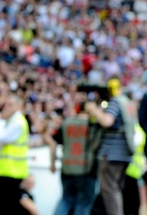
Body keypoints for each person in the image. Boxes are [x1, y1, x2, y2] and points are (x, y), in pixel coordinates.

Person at [86, 78, 137, 215]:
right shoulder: (128, 102)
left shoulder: (116, 101)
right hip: (124, 152)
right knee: (115, 189)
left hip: (112, 153)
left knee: (109, 191)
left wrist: (94, 110)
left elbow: (107, 121)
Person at [49, 99, 100, 215]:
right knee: (83, 204)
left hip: (67, 168)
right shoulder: (93, 125)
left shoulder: (66, 122)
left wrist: (52, 163)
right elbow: (96, 145)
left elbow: (53, 143)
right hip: (86, 169)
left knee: (66, 200)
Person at [0, 94, 30, 215]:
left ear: (19, 106)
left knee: (6, 207)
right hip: (9, 171)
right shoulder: (14, 121)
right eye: (6, 104)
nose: (6, 108)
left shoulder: (17, 122)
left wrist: (1, 121)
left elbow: (0, 138)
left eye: (10, 105)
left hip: (12, 172)